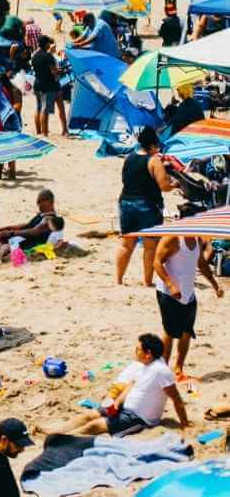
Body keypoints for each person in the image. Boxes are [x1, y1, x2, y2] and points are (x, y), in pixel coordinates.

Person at [64, 333, 187, 434]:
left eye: (138, 349)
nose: (135, 352)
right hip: (124, 407)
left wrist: (185, 424)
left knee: (94, 426)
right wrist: (117, 403)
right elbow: (131, 385)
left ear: (148, 353)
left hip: (139, 418)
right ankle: (58, 430)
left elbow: (177, 399)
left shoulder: (161, 371)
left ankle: (64, 437)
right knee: (89, 416)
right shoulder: (143, 364)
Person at [154, 232, 223, 377]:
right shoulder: (172, 238)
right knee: (170, 332)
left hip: (188, 293)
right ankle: (163, 369)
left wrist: (215, 284)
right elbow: (157, 262)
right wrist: (171, 285)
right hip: (168, 293)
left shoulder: (197, 239)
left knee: (187, 332)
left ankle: (178, 369)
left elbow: (201, 264)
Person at [117, 127, 174, 286]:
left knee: (126, 245)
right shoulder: (154, 161)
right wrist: (174, 185)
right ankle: (147, 282)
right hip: (147, 206)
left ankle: (119, 280)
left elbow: (125, 180)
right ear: (153, 145)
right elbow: (164, 186)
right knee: (150, 246)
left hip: (126, 202)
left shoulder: (129, 157)